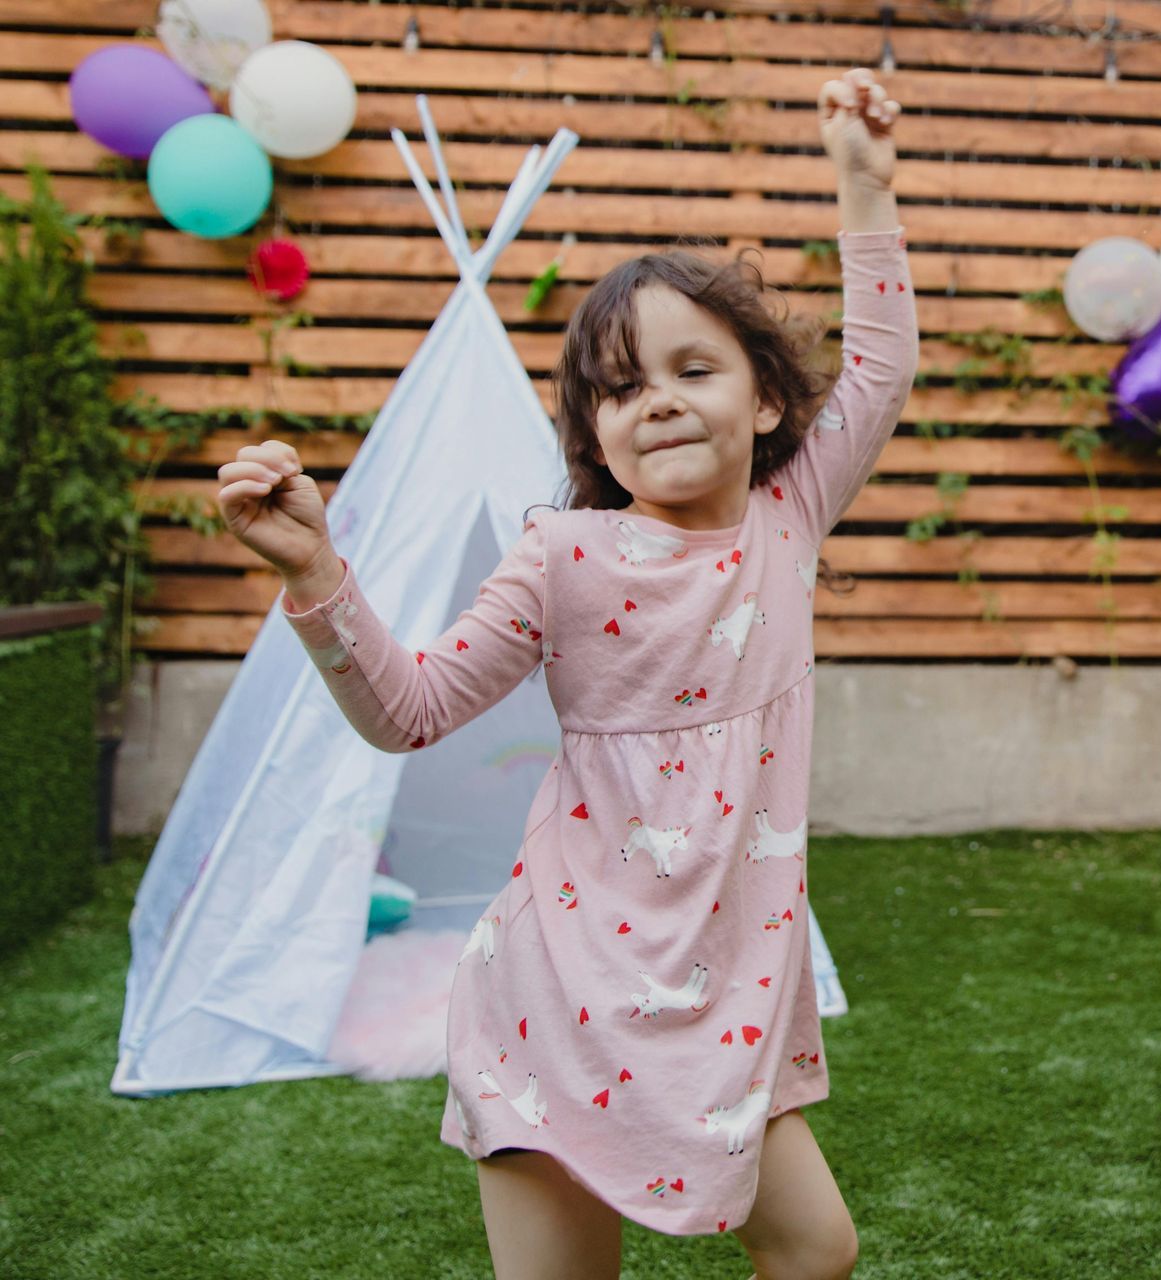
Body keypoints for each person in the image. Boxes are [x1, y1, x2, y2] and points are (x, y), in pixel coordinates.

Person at [214, 68, 916, 1280]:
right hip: (559, 993)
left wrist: (862, 181)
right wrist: (317, 569)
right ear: (589, 432)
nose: (657, 402)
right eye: (618, 386)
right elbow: (410, 709)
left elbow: (886, 364)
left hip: (730, 984)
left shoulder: (787, 515)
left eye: (694, 370)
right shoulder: (562, 556)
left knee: (816, 1248)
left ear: (764, 402)